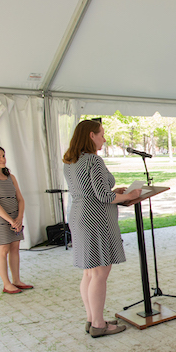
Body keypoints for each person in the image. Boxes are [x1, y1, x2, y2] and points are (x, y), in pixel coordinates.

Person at [63, 120, 142, 337]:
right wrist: (130, 195)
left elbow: (90, 190)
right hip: (95, 219)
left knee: (89, 272)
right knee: (100, 272)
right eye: (102, 134)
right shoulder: (93, 160)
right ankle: (99, 324)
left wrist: (116, 191)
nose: (104, 139)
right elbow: (104, 196)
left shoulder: (70, 160)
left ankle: (91, 318)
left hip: (79, 215)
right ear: (91, 135)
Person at [0, 145, 31, 294]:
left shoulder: (11, 177)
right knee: (3, 250)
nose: (3, 159)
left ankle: (16, 280)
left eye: (3, 155)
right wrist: (10, 220)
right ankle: (6, 283)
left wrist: (19, 217)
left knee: (15, 248)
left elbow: (20, 199)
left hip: (15, 217)